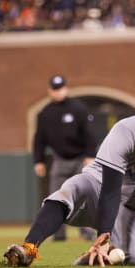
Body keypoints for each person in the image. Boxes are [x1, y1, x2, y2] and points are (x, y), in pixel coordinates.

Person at [3, 80, 135, 268]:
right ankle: (28, 248)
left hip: (133, 211)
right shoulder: (128, 129)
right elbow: (110, 187)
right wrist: (104, 234)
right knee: (71, 189)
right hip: (97, 189)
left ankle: (94, 260)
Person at [33, 75, 97, 241]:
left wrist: (90, 155)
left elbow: (90, 134)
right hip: (59, 159)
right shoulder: (45, 113)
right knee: (56, 197)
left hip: (80, 159)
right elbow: (39, 139)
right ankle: (58, 234)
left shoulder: (78, 108)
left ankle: (87, 233)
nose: (58, 92)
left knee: (83, 195)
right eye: (55, 89)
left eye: (60, 88)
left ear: (66, 89)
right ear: (50, 91)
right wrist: (38, 160)